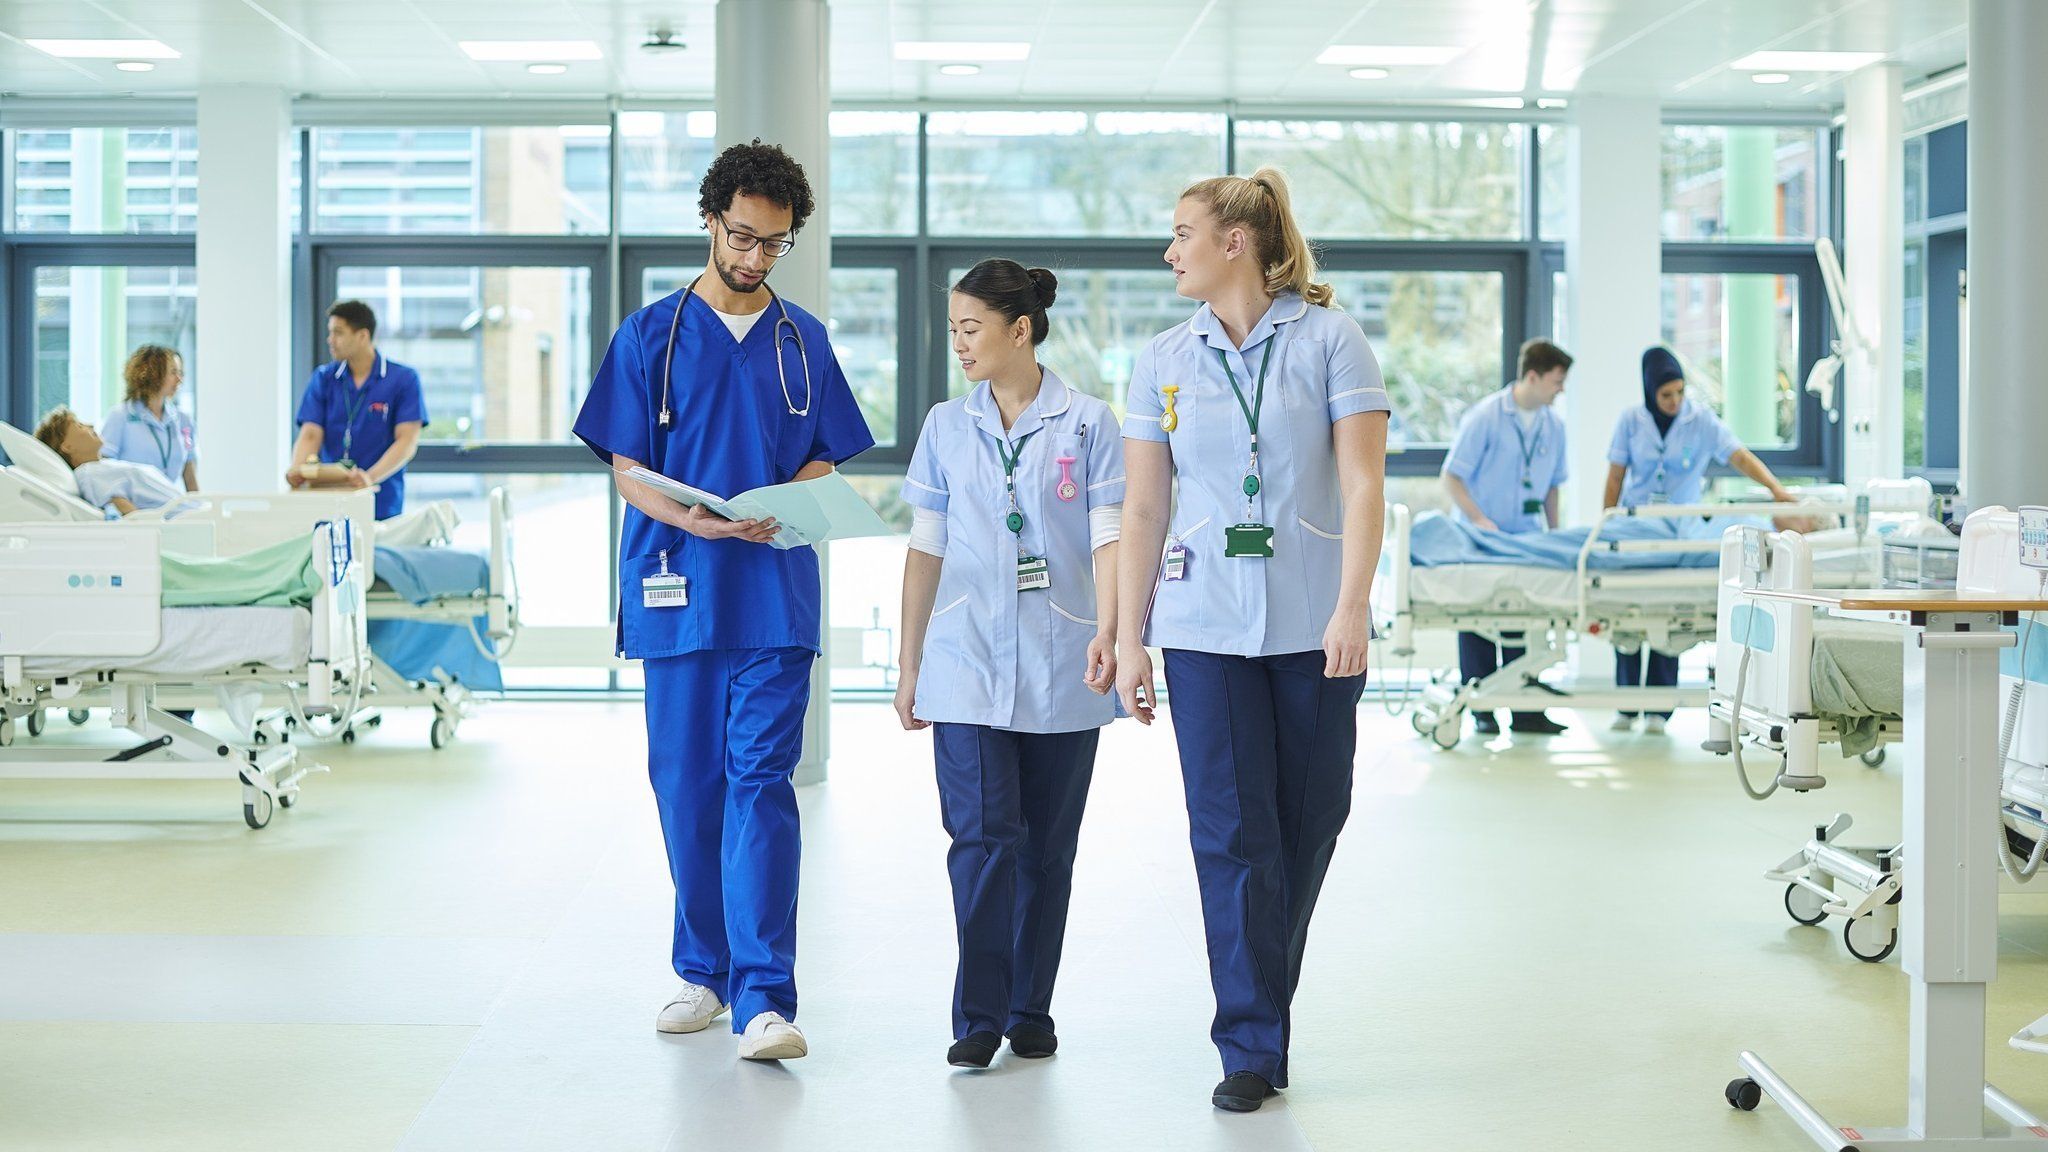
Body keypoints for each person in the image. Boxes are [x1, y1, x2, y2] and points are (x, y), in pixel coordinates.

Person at [572, 139, 874, 1062]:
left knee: (760, 786)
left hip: (774, 596)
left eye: (771, 244)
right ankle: (701, 973)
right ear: (710, 220)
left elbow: (825, 454)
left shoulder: (803, 341)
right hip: (679, 590)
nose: (751, 258)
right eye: (740, 237)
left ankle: (765, 998)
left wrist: (792, 499)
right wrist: (692, 523)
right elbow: (627, 471)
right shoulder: (649, 336)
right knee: (685, 788)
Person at [1115, 167, 1391, 1113]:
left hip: (1316, 626)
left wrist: (1354, 605)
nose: (1170, 249)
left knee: (1308, 823)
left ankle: (1261, 1004)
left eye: (1182, 231)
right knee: (1232, 836)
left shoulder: (1331, 340)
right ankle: (1248, 1043)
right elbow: (1145, 504)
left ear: (1235, 241)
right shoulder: (1161, 359)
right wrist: (1128, 634)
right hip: (1201, 629)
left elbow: (1362, 486)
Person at [893, 259, 1125, 1070]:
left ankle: (1032, 1008)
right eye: (953, 329)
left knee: (1046, 851)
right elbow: (925, 548)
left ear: (1019, 330)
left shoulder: (1090, 423)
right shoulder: (944, 426)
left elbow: (1109, 539)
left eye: (970, 328)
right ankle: (979, 1016)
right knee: (982, 839)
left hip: (1067, 661)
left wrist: (1120, 634)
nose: (957, 343)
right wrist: (908, 663)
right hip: (964, 665)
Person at [1604, 345, 1807, 735]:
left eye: (1680, 392)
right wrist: (1607, 523)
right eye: (1666, 395)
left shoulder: (1700, 421)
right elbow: (1615, 476)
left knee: (1665, 605)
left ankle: (1659, 712)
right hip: (1638, 522)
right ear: (1649, 391)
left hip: (1680, 524)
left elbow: (1739, 456)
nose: (1675, 402)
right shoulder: (1630, 421)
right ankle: (1627, 706)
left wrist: (1777, 491)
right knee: (1628, 605)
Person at [1440, 338, 1573, 737]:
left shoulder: (1554, 425)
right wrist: (1479, 519)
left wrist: (1554, 534)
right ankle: (1482, 708)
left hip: (1527, 538)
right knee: (1480, 619)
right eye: (1556, 381)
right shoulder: (1485, 417)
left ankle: (1526, 711)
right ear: (1532, 377)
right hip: (1483, 538)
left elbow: (1551, 487)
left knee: (1526, 617)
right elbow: (1451, 477)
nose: (1561, 389)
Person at [287, 301, 427, 521]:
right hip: (327, 499)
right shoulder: (324, 378)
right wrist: (297, 469)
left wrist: (369, 477)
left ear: (362, 336)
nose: (330, 340)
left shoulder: (403, 380)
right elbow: (311, 434)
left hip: (379, 502)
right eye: (330, 332)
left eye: (338, 333)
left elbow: (406, 441)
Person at [33, 406, 190, 517]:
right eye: (80, 426)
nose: (91, 425)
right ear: (67, 446)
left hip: (193, 515)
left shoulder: (103, 467)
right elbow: (128, 514)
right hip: (186, 523)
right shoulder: (89, 474)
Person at [100, 345, 199, 492]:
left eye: (180, 373)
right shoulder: (120, 416)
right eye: (173, 372)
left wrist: (201, 509)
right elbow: (105, 470)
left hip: (172, 504)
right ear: (152, 374)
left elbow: (189, 474)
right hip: (134, 507)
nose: (179, 380)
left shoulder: (183, 420)